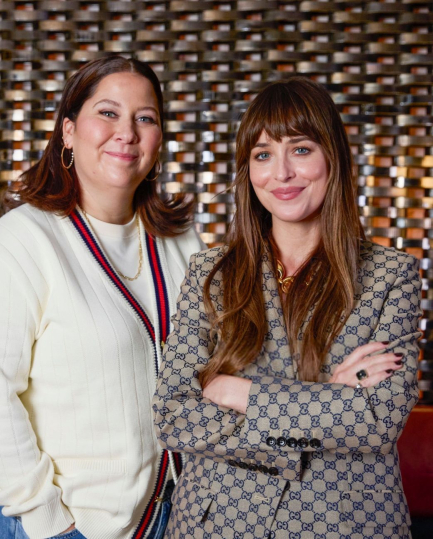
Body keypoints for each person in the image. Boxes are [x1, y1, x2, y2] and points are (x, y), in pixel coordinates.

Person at [153, 77, 421, 539]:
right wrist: (331, 396)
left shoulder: (390, 274)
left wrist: (242, 394)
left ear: (331, 155)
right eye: (263, 154)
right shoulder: (210, 272)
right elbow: (174, 416)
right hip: (219, 523)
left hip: (345, 523)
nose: (281, 173)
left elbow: (379, 420)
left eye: (300, 149)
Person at [0, 56, 204, 539]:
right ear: (68, 131)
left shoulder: (182, 243)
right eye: (107, 113)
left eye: (144, 118)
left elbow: (221, 360)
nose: (126, 132)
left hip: (166, 521)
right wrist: (51, 522)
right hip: (60, 527)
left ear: (159, 140)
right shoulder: (22, 242)